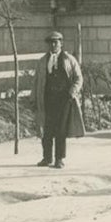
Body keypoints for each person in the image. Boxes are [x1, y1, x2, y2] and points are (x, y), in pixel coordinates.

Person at [34, 31, 85, 168]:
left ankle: (59, 159)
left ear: (61, 43)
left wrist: (72, 91)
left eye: (55, 42)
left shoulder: (69, 59)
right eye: (50, 42)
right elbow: (37, 81)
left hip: (64, 100)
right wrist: (34, 98)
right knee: (46, 129)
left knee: (61, 130)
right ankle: (47, 158)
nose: (53, 45)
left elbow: (78, 78)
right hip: (47, 99)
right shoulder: (42, 61)